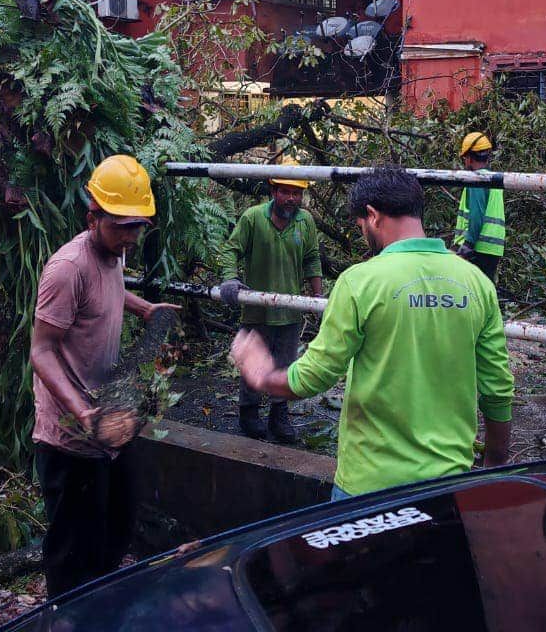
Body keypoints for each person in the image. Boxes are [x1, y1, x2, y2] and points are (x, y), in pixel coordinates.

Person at [231, 166, 514, 500]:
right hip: (447, 484)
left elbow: (314, 377)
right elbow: (497, 388)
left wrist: (263, 376)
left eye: (361, 225)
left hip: (367, 486)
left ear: (373, 215)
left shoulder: (359, 282)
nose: (364, 234)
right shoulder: (477, 283)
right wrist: (495, 462)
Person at [29, 154, 180, 598]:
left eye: (138, 226)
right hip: (70, 437)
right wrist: (82, 412)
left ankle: (101, 608)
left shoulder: (113, 253)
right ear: (92, 215)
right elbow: (40, 351)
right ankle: (66, 617)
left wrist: (145, 308)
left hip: (110, 423)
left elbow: (107, 291)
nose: (131, 236)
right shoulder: (67, 268)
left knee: (116, 528)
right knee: (72, 552)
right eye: (122, 226)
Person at [218, 174, 324, 442]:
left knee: (286, 363)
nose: (291, 198)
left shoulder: (305, 221)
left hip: (290, 309)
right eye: (285, 192)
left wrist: (317, 298)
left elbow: (312, 258)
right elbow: (231, 249)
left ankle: (279, 414)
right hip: (257, 308)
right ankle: (249, 412)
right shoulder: (253, 218)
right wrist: (230, 279)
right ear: (273, 191)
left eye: (296, 193)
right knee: (252, 363)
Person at [452, 132, 506, 281]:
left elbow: (477, 214)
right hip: (492, 249)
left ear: (469, 158)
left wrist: (467, 246)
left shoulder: (476, 179)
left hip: (477, 249)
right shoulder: (494, 180)